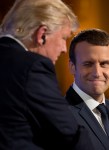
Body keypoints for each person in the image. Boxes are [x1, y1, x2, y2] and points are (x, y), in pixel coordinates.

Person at [0, 0, 96, 150]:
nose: (65, 49)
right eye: (64, 38)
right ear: (42, 34)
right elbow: (70, 135)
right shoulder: (32, 68)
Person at [66, 28, 109, 150]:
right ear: (72, 67)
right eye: (88, 64)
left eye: (104, 64)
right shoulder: (61, 114)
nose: (97, 73)